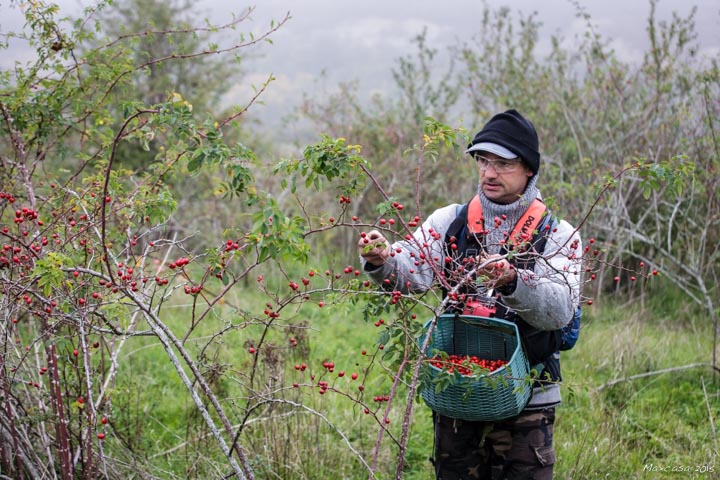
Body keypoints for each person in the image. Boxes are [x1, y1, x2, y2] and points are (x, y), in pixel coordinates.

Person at [358, 109, 582, 479]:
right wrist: (383, 259)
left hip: (528, 394)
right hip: (457, 388)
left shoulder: (558, 235)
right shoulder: (452, 221)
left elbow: (559, 312)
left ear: (529, 169)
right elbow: (411, 273)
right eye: (483, 161)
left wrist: (513, 280)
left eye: (503, 164)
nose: (489, 173)